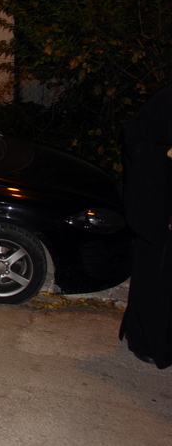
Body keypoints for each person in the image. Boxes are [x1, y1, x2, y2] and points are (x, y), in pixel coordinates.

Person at [120, 84, 172, 368]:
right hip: (159, 209)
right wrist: (166, 153)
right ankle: (147, 341)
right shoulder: (165, 101)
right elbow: (134, 139)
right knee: (156, 279)